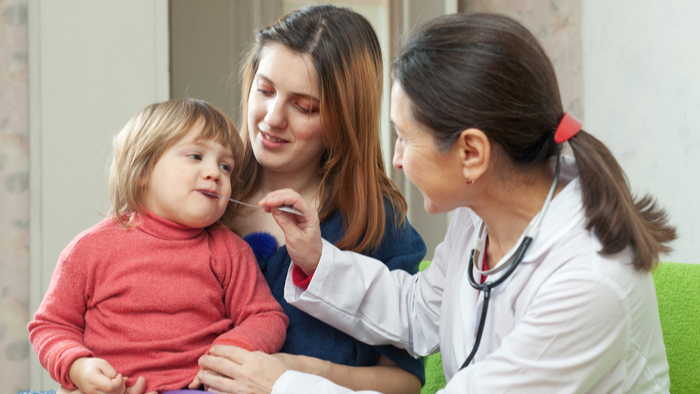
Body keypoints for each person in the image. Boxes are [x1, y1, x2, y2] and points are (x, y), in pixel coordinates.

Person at [195, 13, 677, 394]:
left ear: (471, 153)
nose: (397, 159)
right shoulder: (482, 216)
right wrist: (318, 261)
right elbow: (417, 313)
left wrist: (281, 382)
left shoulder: (586, 285)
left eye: (405, 138)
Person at [223, 4, 427, 394]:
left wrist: (297, 373)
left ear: (343, 120)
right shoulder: (202, 195)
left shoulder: (376, 226)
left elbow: (404, 383)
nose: (272, 118)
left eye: (304, 107)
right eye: (264, 90)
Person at [28, 99, 289, 394]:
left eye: (225, 166)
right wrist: (78, 367)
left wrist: (230, 351)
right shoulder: (89, 249)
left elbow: (267, 317)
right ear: (142, 172)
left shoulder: (230, 251)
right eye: (195, 156)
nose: (215, 173)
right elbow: (50, 326)